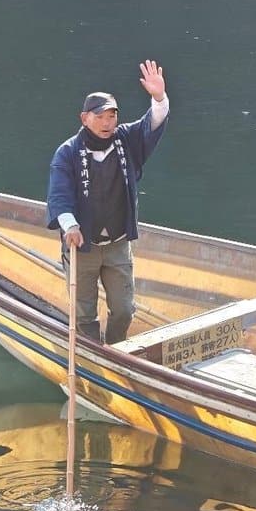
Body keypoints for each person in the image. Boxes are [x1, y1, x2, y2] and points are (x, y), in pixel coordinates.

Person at [47, 60, 169, 344]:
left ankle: (116, 350)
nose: (107, 123)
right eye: (100, 117)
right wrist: (70, 226)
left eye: (112, 116)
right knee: (84, 313)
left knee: (124, 310)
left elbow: (153, 123)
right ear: (84, 118)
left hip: (117, 244)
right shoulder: (67, 153)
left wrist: (159, 97)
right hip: (83, 246)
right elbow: (59, 196)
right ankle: (90, 354)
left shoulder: (125, 140)